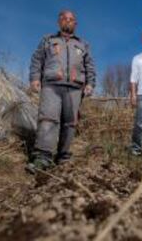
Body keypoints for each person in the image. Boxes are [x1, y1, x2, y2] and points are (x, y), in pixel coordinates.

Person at [27, 10, 96, 173]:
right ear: (59, 22)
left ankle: (63, 157)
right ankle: (42, 158)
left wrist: (90, 83)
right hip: (51, 85)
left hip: (75, 88)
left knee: (70, 124)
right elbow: (37, 60)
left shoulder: (83, 44)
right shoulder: (48, 40)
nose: (68, 21)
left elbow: (90, 66)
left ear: (75, 24)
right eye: (64, 19)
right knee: (48, 119)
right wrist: (34, 78)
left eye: (71, 19)